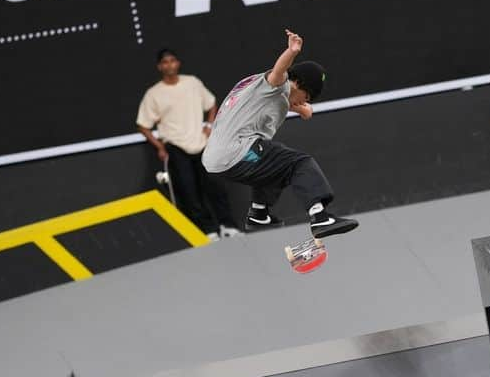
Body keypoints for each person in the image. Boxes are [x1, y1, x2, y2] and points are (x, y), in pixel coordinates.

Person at [202, 30, 358, 240]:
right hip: (237, 151)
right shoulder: (278, 82)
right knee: (298, 163)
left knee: (272, 164)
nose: (304, 102)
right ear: (299, 83)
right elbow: (279, 72)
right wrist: (291, 51)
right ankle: (319, 217)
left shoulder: (256, 88)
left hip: (216, 159)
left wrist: (302, 109)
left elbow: (289, 102)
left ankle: (258, 212)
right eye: (307, 97)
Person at [137, 48, 240, 239]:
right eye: (165, 62)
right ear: (160, 67)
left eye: (172, 60)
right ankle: (209, 231)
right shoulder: (154, 94)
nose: (169, 65)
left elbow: (211, 104)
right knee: (189, 192)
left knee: (215, 186)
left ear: (178, 63)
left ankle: (228, 226)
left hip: (201, 144)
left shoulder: (192, 83)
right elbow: (143, 125)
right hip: (176, 148)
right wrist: (160, 147)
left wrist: (209, 125)